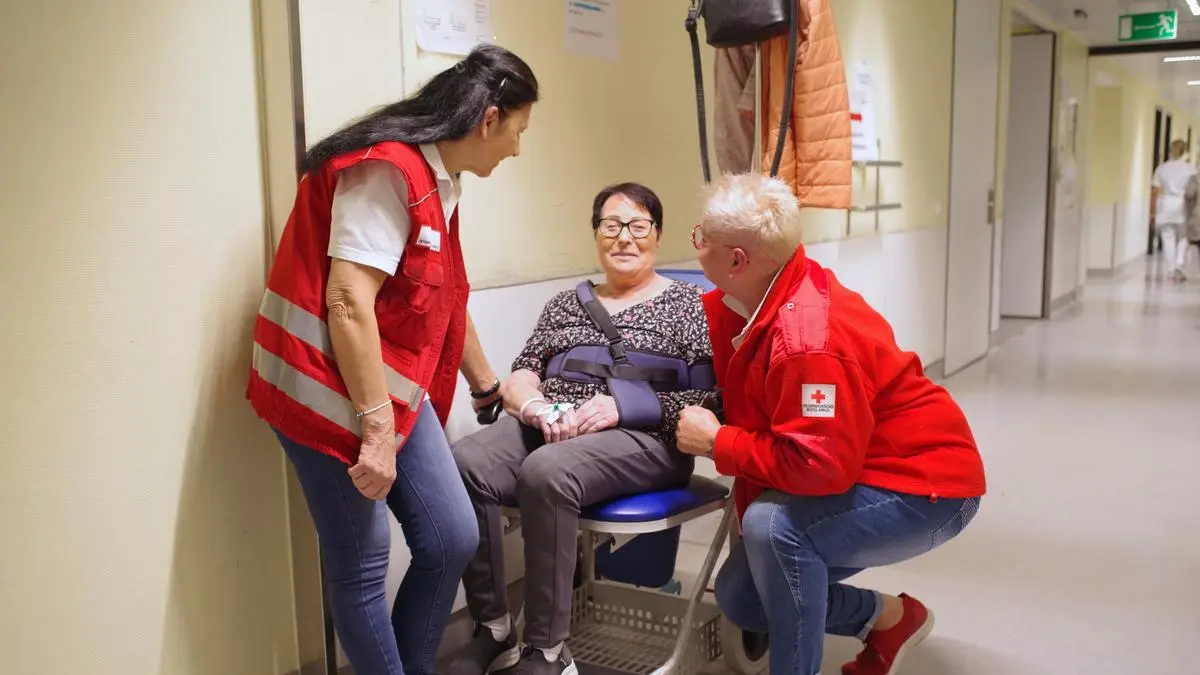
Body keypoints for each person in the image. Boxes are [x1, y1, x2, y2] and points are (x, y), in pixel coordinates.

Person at [245, 44, 538, 675]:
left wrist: (487, 385)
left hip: (383, 387)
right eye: (518, 131)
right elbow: (347, 300)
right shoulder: (387, 172)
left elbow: (443, 298)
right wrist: (377, 431)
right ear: (488, 119)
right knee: (362, 562)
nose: (517, 149)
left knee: (452, 535)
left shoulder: (440, 182)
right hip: (321, 388)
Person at [674, 174, 987, 675]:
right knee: (742, 596)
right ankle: (889, 619)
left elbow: (818, 467)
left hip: (926, 490)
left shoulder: (808, 341)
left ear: (737, 260)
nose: (696, 247)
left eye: (701, 238)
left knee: (772, 527)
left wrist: (718, 443)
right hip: (860, 464)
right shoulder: (754, 293)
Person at [447, 183, 716, 675]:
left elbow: (711, 401)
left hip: (646, 439)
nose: (624, 238)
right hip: (553, 427)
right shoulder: (565, 304)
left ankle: (548, 651)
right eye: (611, 226)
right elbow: (524, 371)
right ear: (596, 234)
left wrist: (621, 406)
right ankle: (494, 628)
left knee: (547, 470)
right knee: (465, 462)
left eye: (638, 226)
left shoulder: (691, 306)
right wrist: (533, 407)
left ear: (658, 235)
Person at [1151, 139, 1195, 282]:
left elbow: (1155, 190)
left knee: (1167, 237)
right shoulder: (1190, 169)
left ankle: (1171, 271)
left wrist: (1152, 212)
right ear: (1185, 151)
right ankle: (1179, 265)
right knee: (1184, 236)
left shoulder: (1162, 168)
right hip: (1183, 204)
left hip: (1165, 203)